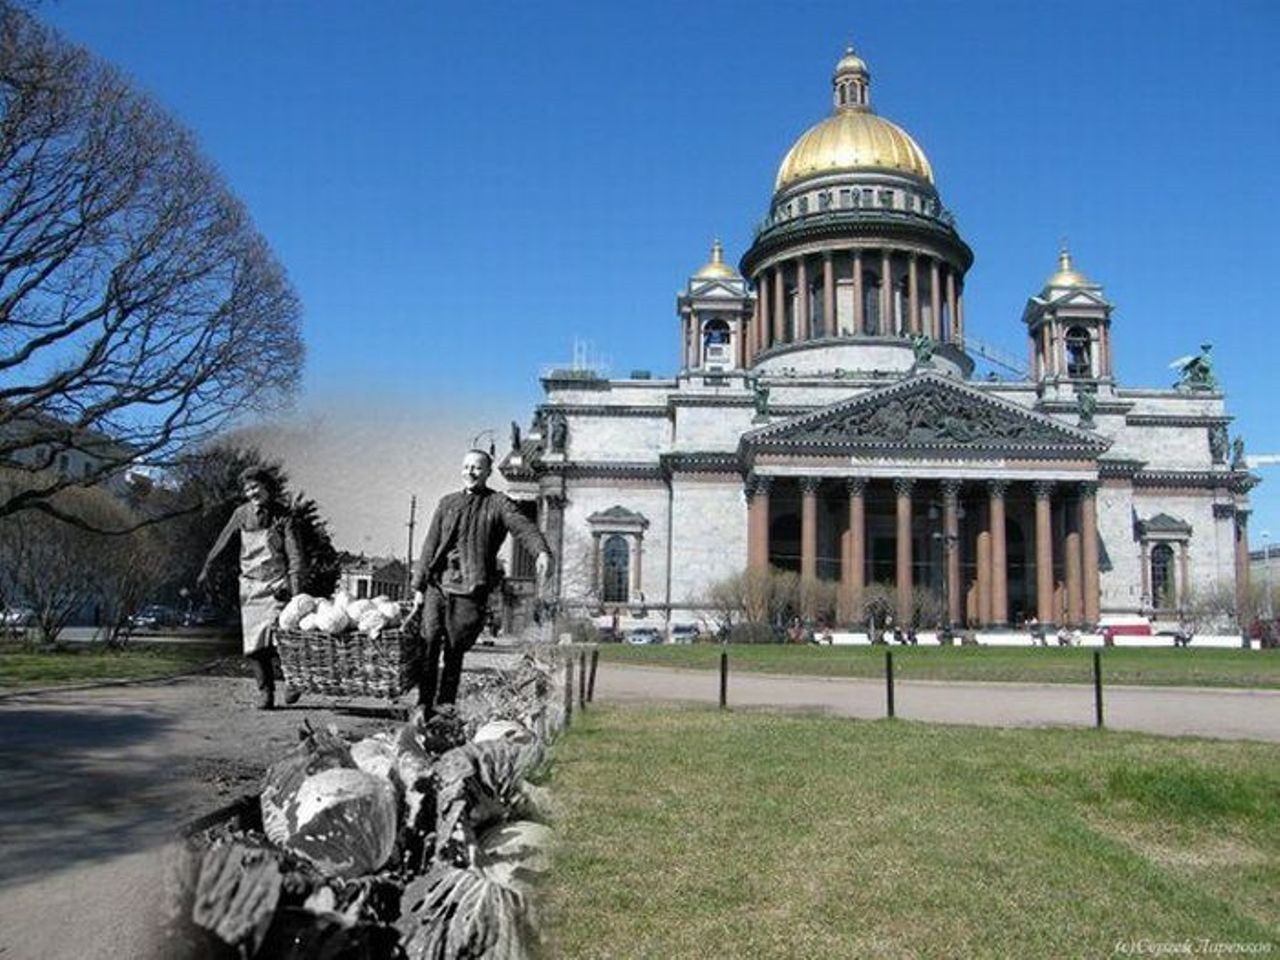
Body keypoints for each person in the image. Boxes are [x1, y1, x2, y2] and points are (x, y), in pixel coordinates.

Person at [409, 449, 552, 710]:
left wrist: (540, 550)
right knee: (427, 642)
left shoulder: (498, 503)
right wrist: (419, 586)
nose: (470, 472)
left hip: (469, 588)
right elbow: (430, 544)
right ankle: (423, 703)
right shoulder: (447, 503)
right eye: (466, 467)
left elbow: (522, 526)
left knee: (455, 649)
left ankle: (445, 707)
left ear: (487, 472)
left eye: (476, 468)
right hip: (437, 584)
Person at [197, 468, 304, 709]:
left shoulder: (284, 516)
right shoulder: (241, 514)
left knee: (281, 637)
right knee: (254, 645)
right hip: (251, 585)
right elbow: (223, 541)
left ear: (267, 487)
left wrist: (296, 590)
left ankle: (293, 681)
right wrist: (207, 567)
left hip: (278, 584)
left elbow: (294, 554)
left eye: (256, 486)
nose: (252, 492)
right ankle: (265, 691)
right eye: (247, 489)